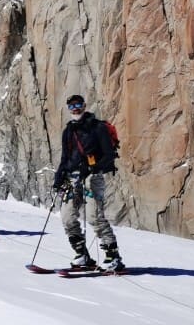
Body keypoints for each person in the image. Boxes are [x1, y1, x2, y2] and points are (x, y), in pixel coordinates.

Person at [53, 94, 124, 272]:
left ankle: (113, 257)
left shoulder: (97, 127)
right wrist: (59, 176)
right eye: (71, 106)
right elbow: (65, 157)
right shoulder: (68, 131)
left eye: (78, 105)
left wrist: (92, 169)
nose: (75, 108)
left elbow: (109, 156)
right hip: (72, 178)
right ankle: (81, 254)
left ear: (84, 106)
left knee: (94, 217)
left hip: (93, 177)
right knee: (67, 217)